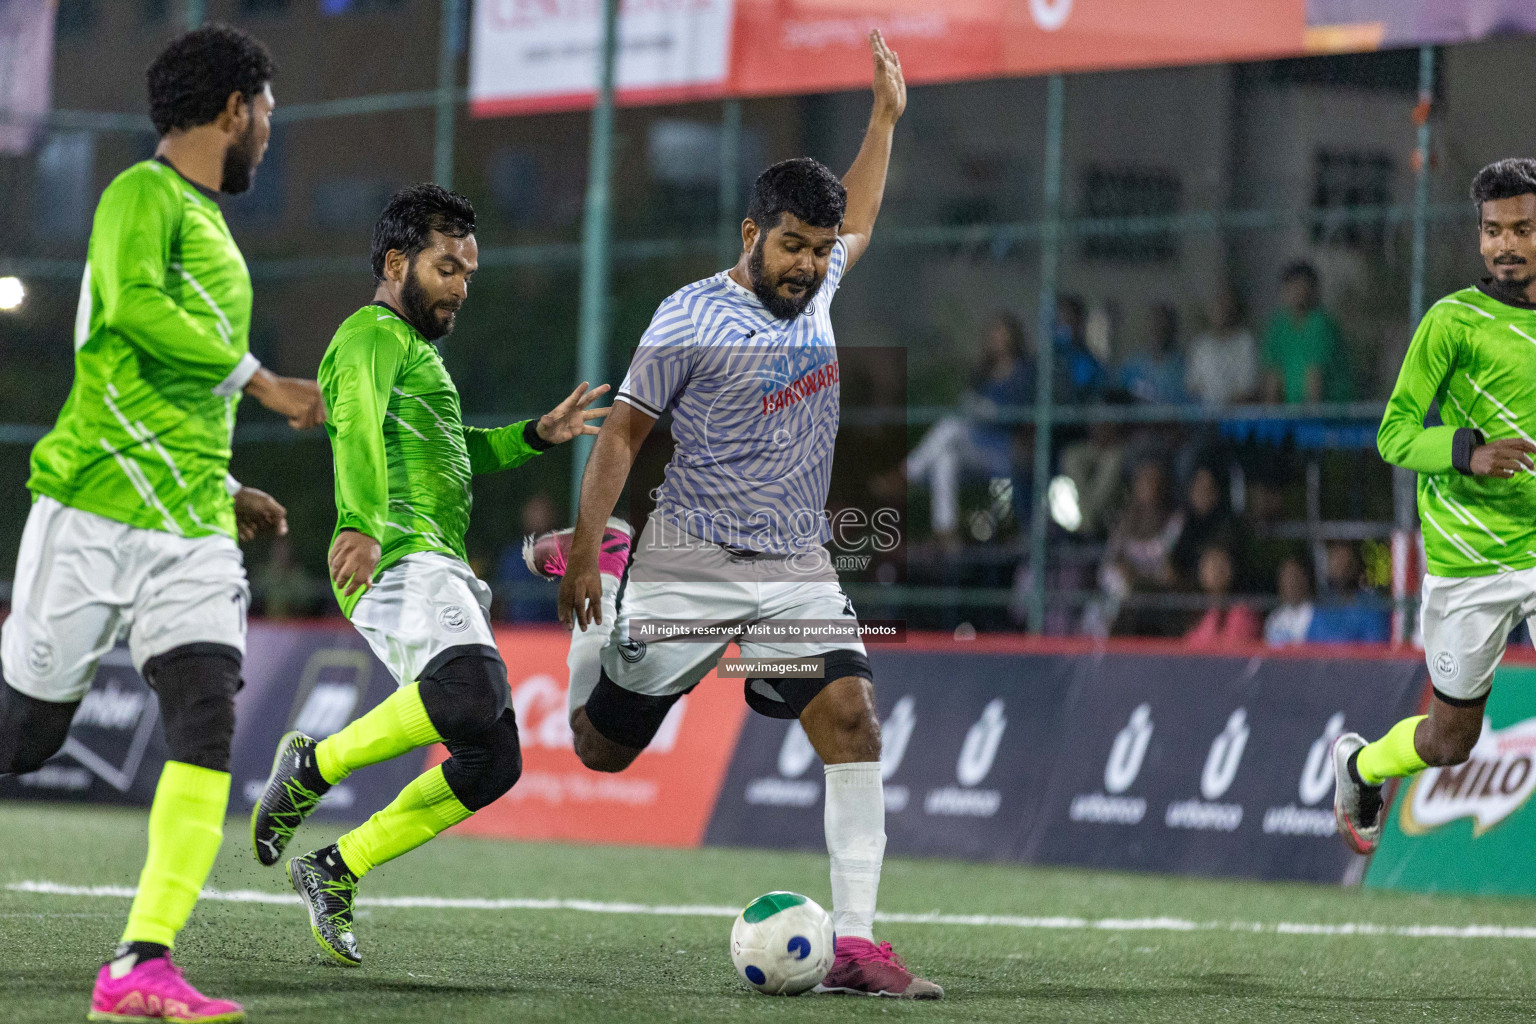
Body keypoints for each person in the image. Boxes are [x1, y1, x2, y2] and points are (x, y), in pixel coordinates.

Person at [527, 33, 938, 999]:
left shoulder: (824, 280)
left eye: (820, 250)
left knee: (852, 719)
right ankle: (615, 595)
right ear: (751, 235)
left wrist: (883, 119)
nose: (807, 266)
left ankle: (858, 946)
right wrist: (588, 552)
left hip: (794, 564)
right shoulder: (687, 318)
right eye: (792, 246)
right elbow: (622, 437)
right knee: (600, 750)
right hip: (691, 559)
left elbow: (862, 207)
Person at [0, 27, 324, 1023]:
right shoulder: (139, 197)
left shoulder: (212, 228)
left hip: (187, 524)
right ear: (235, 107)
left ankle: (142, 960)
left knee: (206, 713)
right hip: (94, 508)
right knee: (25, 736)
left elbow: (171, 395)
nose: (270, 131)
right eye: (266, 111)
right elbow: (134, 315)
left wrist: (221, 481)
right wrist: (261, 379)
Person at [247, 185, 608, 966]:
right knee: (469, 693)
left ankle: (338, 867)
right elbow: (355, 431)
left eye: (469, 273)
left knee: (494, 760)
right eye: (448, 268)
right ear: (395, 261)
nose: (460, 288)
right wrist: (360, 525)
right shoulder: (368, 336)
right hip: (396, 551)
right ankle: (314, 767)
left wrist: (536, 436)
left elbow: (455, 453)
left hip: (428, 556)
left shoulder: (419, 356)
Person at [1333, 158, 1536, 856]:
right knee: (1450, 740)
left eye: (1523, 229)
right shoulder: (1453, 322)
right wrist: (1466, 450)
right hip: (1469, 561)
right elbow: (1394, 434)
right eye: (1494, 230)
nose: (1506, 244)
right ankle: (1361, 767)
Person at [894, 311, 1030, 542]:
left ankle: (906, 475)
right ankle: (946, 531)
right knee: (945, 457)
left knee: (953, 425)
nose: (996, 337)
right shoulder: (983, 372)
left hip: (1004, 451)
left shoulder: (1023, 372)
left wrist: (989, 411)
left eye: (1001, 332)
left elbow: (1020, 415)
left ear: (1013, 336)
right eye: (993, 332)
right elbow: (967, 404)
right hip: (975, 448)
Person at [1087, 459, 1184, 637]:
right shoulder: (1125, 522)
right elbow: (1106, 570)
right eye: (1145, 480)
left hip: (1158, 601)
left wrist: (1140, 576)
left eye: (1156, 481)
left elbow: (1170, 575)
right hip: (1124, 602)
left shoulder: (1175, 522)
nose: (1150, 487)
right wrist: (1122, 572)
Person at [1261, 262, 1352, 404]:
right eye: (1292, 286)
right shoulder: (1278, 328)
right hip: (1292, 415)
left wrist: (1309, 416)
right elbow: (1273, 378)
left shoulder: (1321, 324)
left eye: (1303, 286)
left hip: (1328, 414)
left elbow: (1315, 378)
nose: (1298, 293)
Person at [1185, 285, 1258, 406]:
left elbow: (1248, 387)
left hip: (1237, 417)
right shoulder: (1200, 345)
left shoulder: (1245, 342)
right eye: (1217, 305)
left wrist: (1224, 407)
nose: (1221, 310)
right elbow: (1193, 386)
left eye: (1226, 305)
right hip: (1205, 417)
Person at [1184, 545, 1259, 648]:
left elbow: (1233, 651)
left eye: (1221, 563)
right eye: (1210, 563)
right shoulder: (1195, 611)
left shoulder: (1242, 613)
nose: (1216, 570)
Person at [1120, 303, 1187, 405]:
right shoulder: (1132, 366)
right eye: (1154, 325)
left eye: (1163, 327)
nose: (1158, 331)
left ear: (1173, 329)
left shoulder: (1185, 368)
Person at [1264, 555, 1315, 647]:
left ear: (1305, 579)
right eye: (1286, 577)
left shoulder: (1316, 615)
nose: (1290, 583)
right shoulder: (1274, 618)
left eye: (1294, 576)